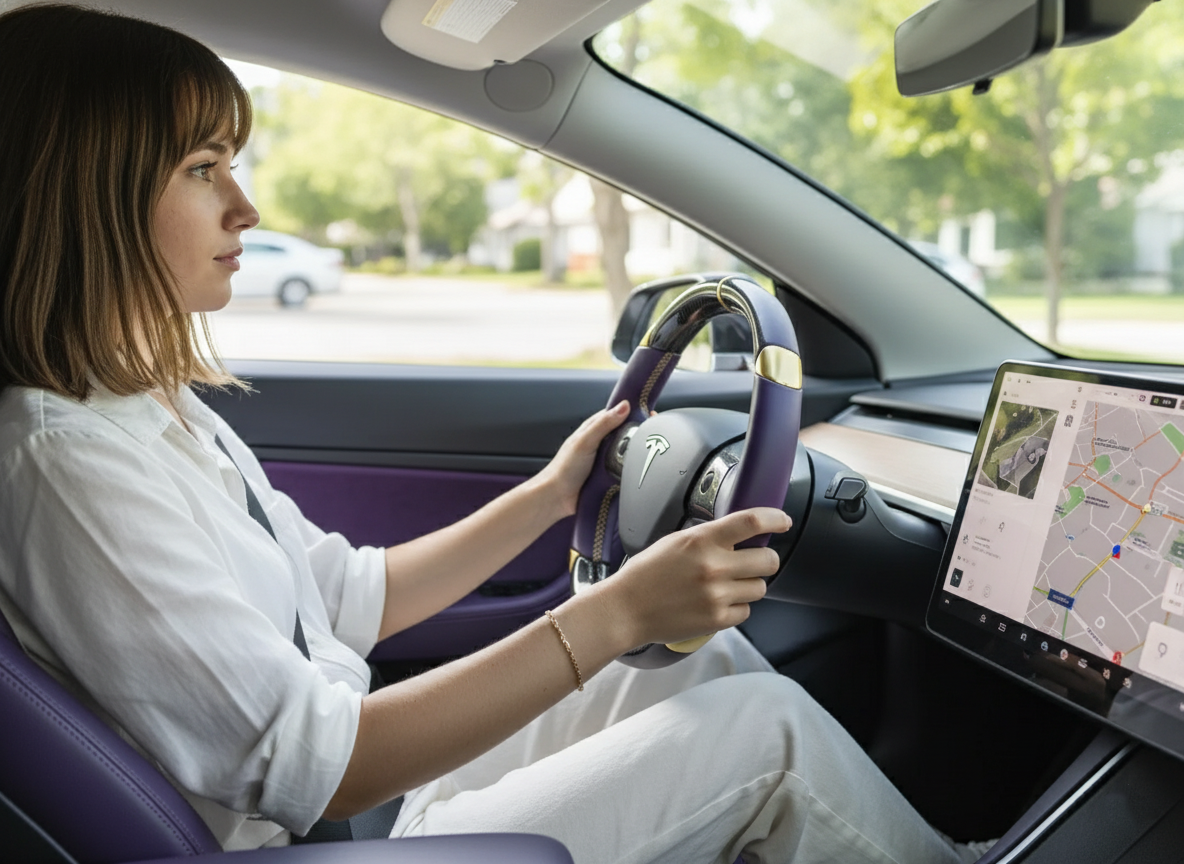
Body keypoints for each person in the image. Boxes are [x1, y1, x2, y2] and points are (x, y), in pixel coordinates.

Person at [0, 5, 979, 863]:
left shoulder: (134, 405)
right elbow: (323, 769)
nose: (245, 207)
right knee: (764, 736)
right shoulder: (61, 460)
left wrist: (553, 494)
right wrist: (617, 613)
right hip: (315, 841)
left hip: (339, 820)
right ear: (86, 194)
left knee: (711, 667)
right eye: (201, 169)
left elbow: (344, 596)